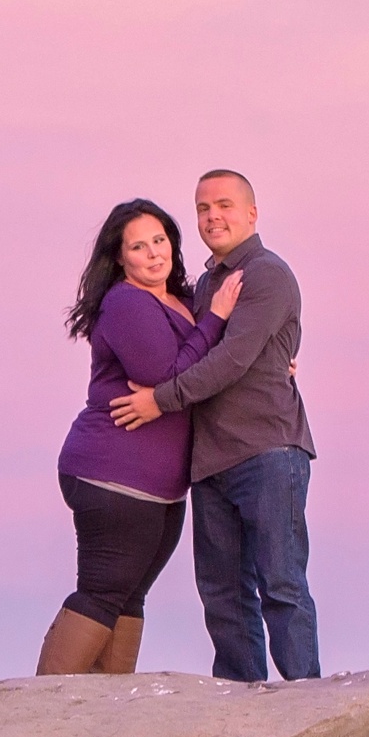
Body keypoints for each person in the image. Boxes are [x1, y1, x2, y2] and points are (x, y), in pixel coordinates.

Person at [107, 169, 317, 681]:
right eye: (202, 209)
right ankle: (240, 711)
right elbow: (190, 352)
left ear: (251, 213)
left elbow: (230, 360)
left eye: (224, 205)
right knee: (222, 596)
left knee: (281, 586)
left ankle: (309, 706)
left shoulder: (267, 273)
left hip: (268, 450)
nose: (212, 217)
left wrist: (161, 401)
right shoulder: (204, 286)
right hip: (211, 462)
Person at [39, 199, 245, 675]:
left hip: (162, 487)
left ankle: (108, 717)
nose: (154, 253)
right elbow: (162, 375)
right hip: (113, 472)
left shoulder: (182, 300)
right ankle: (40, 715)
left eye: (160, 240)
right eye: (138, 246)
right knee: (103, 591)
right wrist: (213, 318)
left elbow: (213, 366)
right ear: (119, 258)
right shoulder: (127, 301)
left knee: (130, 596)